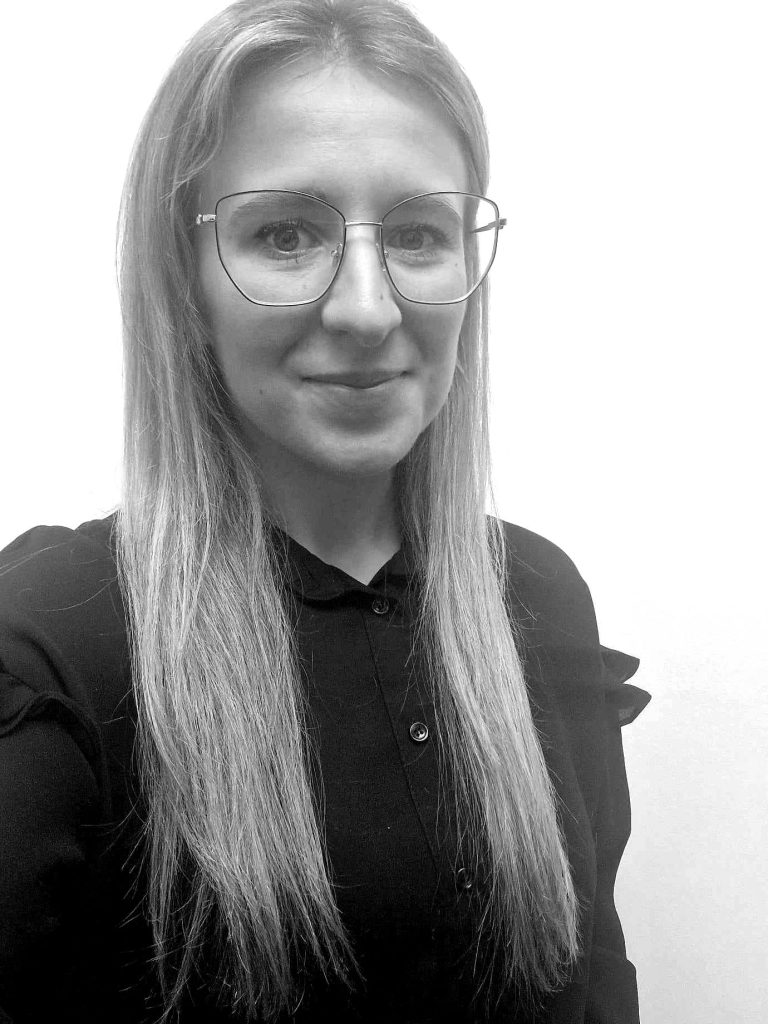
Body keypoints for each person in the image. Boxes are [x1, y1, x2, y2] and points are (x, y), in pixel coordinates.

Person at [0, 1, 650, 1021]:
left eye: (418, 233)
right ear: (184, 277)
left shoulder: (537, 596)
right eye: (286, 234)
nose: (366, 308)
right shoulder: (55, 648)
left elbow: (596, 980)